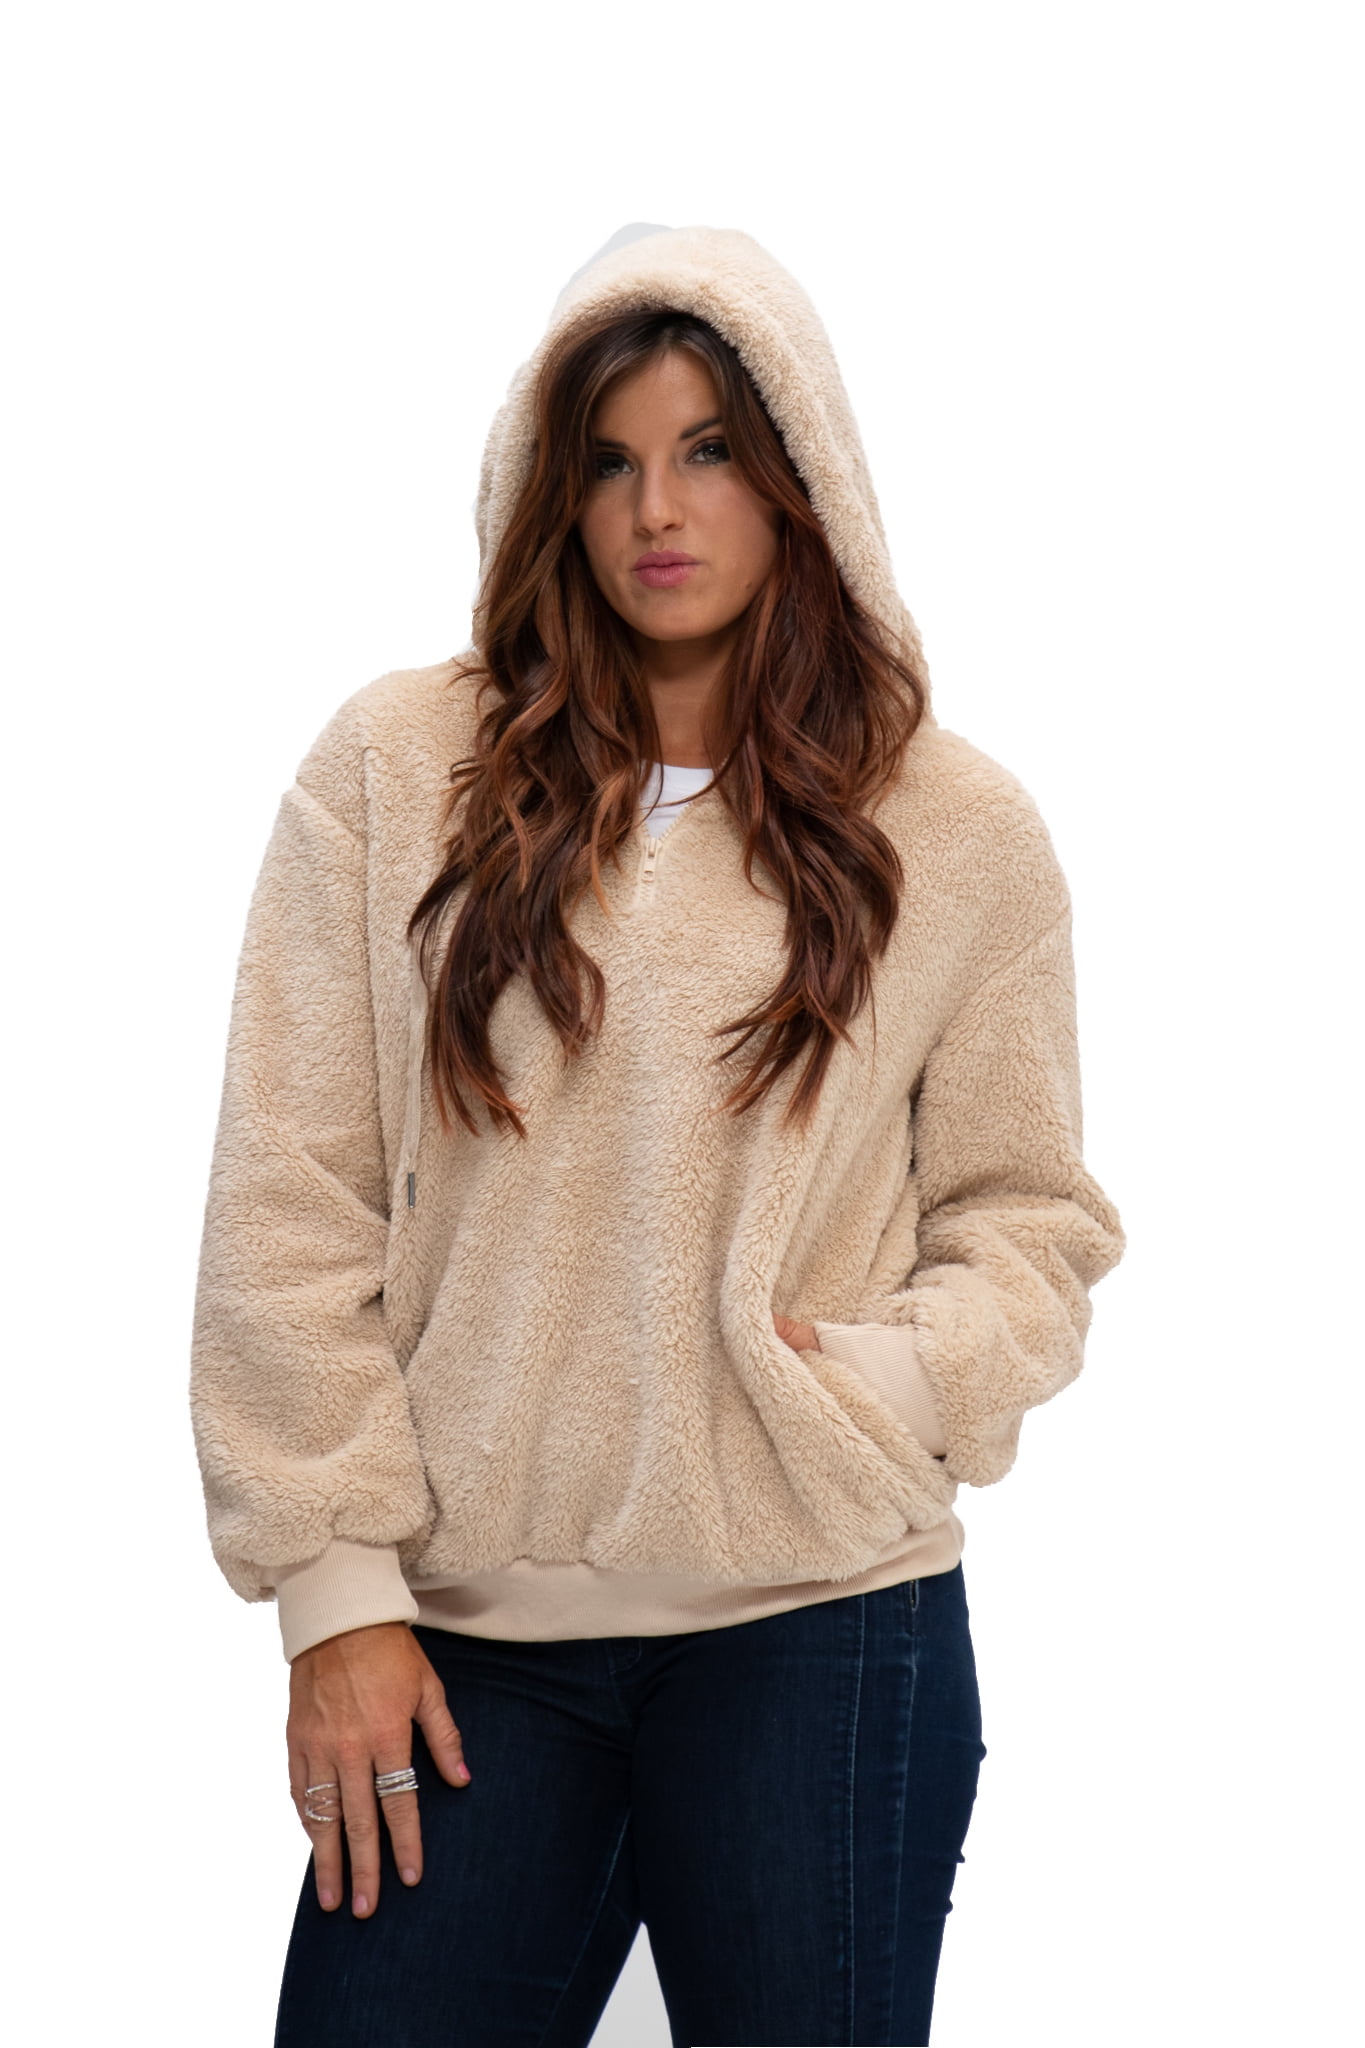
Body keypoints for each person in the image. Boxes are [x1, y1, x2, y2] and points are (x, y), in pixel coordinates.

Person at [190, 222, 1125, 2048]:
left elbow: (1029, 1216)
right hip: (465, 1642)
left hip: (825, 1626)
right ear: (553, 489)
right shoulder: (397, 772)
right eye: (608, 461)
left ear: (798, 473)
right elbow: (286, 1202)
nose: (656, 509)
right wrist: (333, 1594)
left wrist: (892, 1380)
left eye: (707, 451)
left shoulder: (955, 828)